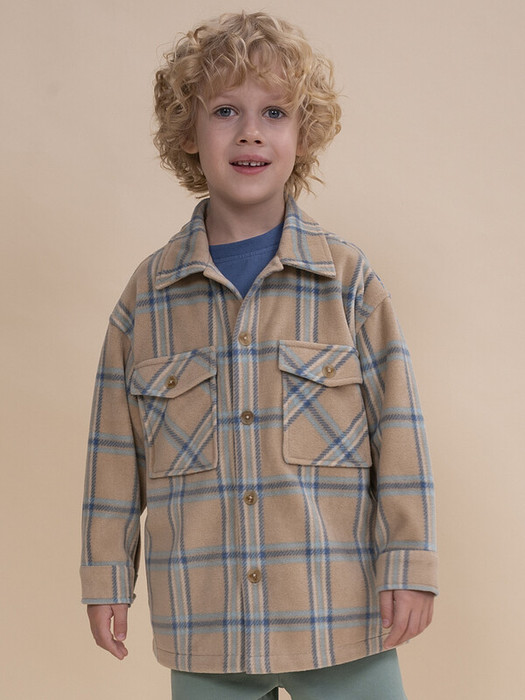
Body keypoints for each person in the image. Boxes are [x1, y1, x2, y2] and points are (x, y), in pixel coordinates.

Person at [81, 11, 438, 699]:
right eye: (225, 111)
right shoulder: (146, 298)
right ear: (188, 133)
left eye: (274, 112)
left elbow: (399, 430)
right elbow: (114, 451)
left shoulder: (348, 283)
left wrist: (410, 562)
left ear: (302, 135)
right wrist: (106, 576)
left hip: (338, 614)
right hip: (205, 622)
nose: (250, 131)